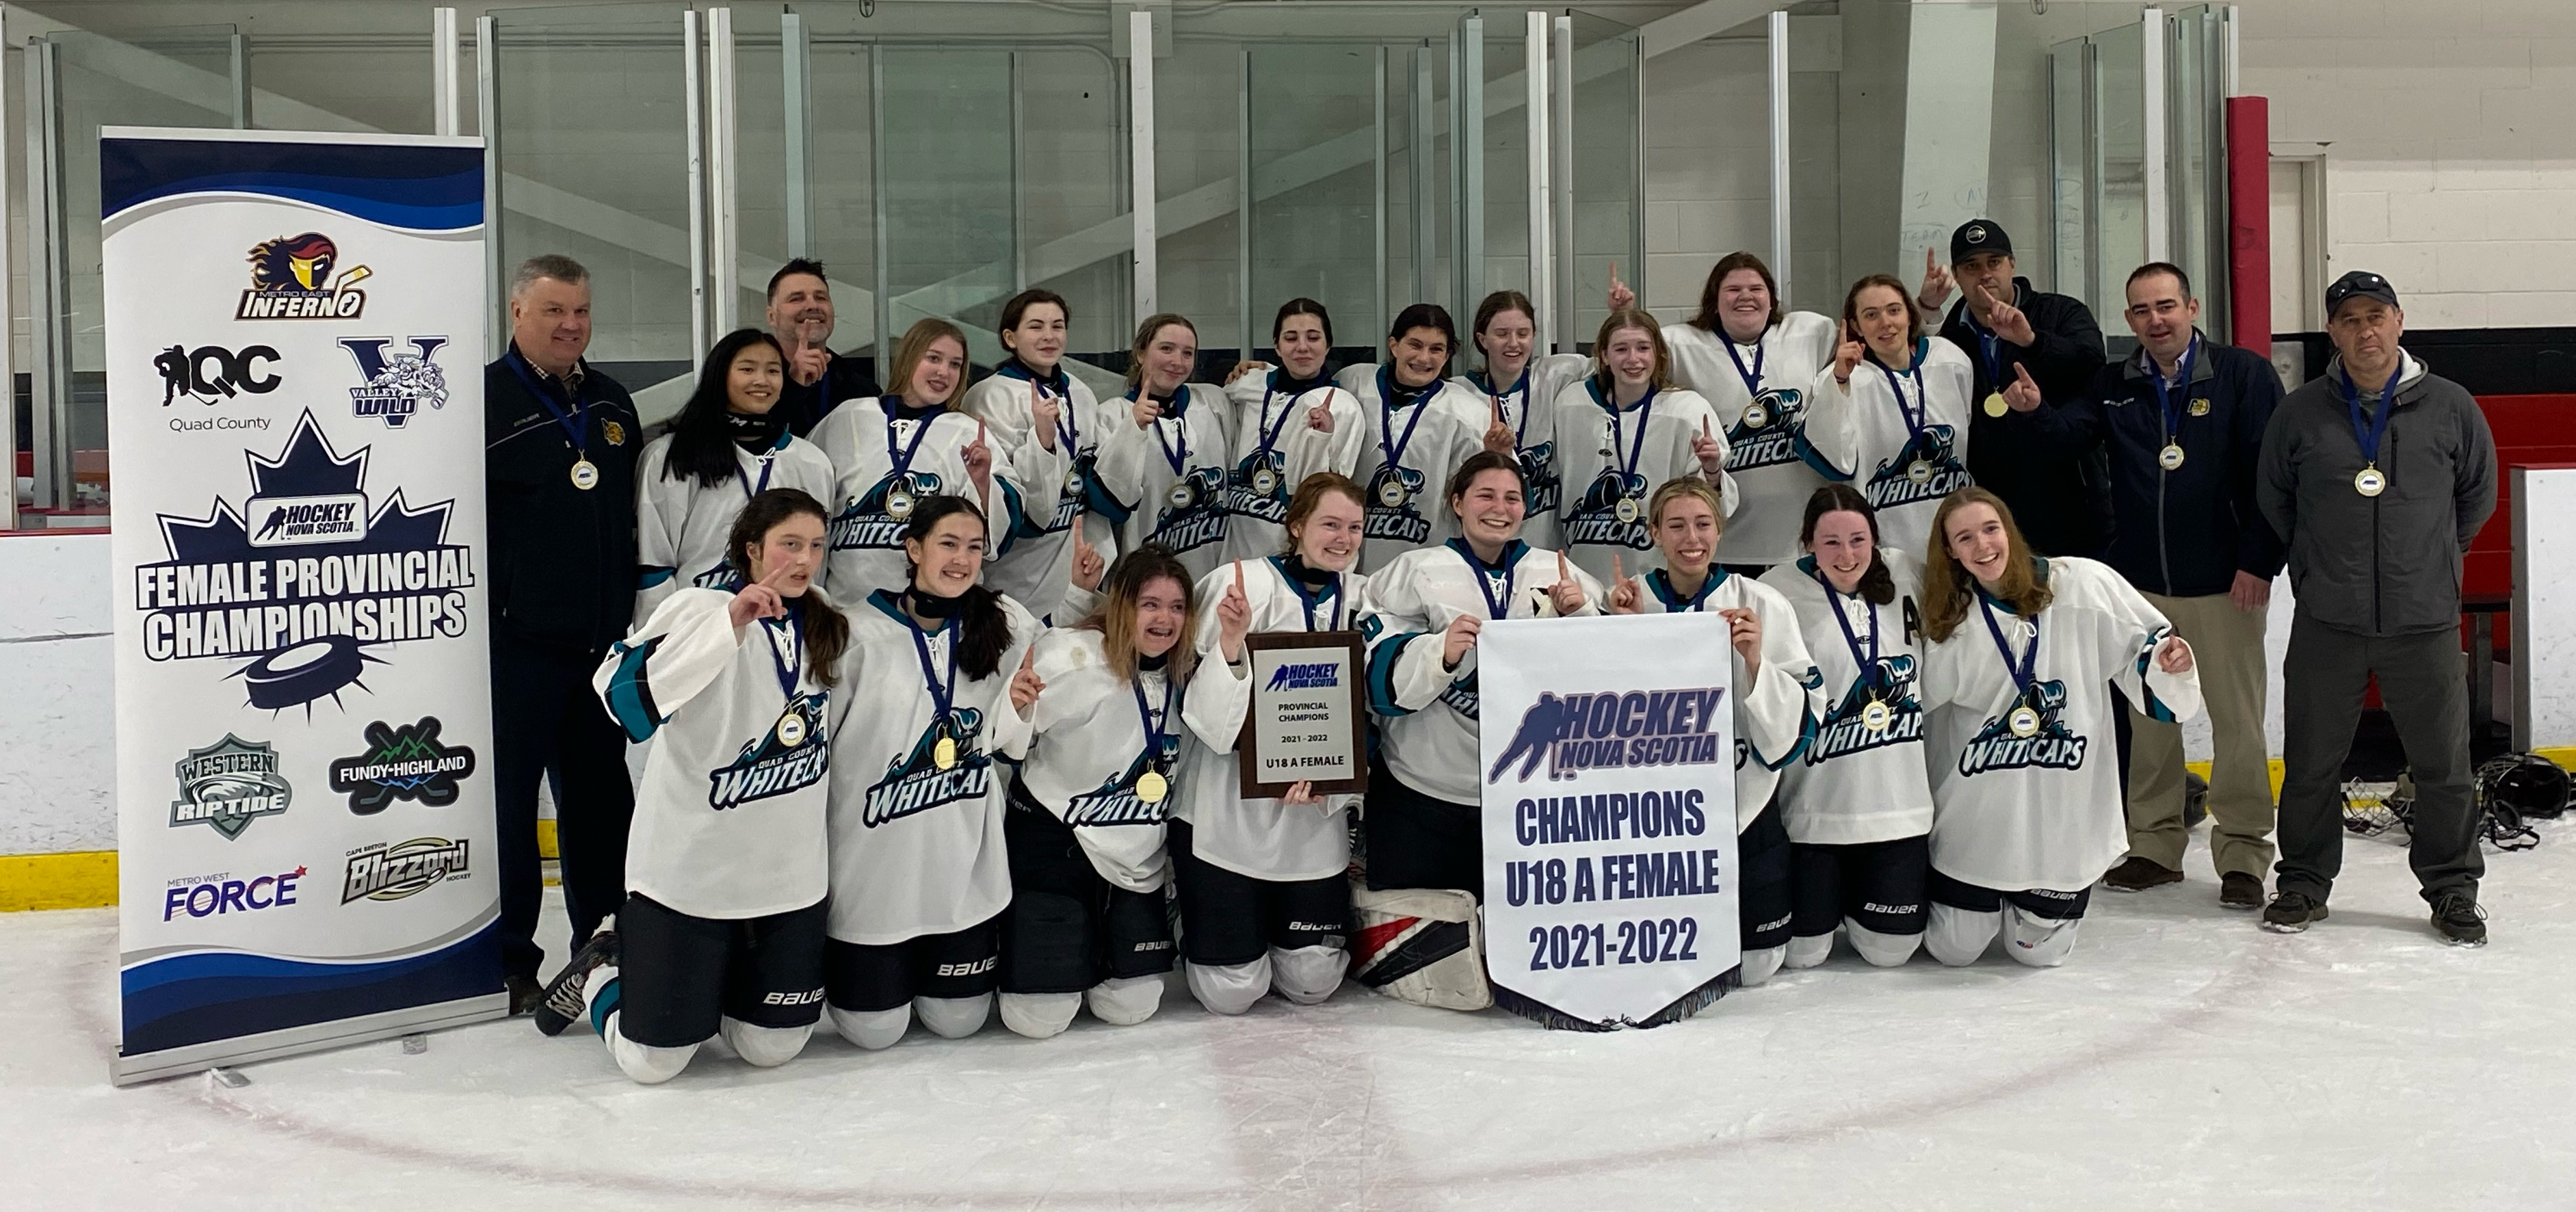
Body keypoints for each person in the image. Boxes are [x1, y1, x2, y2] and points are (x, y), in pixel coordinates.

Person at [535, 490, 843, 1082]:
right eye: (789, 544)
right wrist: (730, 622)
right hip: (689, 879)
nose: (804, 559)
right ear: (752, 550)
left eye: (815, 546)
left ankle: (715, 987)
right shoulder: (697, 607)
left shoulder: (826, 616)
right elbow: (623, 700)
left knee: (770, 1047)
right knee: (652, 1062)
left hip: (786, 880)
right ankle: (604, 966)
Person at [2012, 263, 2285, 906]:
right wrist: (2033, 414)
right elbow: (2071, 437)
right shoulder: (2117, 384)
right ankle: (2155, 845)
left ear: (2192, 306)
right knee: (2151, 719)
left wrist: (2260, 561)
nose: (2155, 320)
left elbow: (2272, 476)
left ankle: (2244, 851)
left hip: (2225, 583)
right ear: (2129, 320)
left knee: (2237, 723)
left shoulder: (2242, 375)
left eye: (2166, 306)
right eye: (2141, 311)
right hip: (2141, 590)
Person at [2256, 270, 2499, 945]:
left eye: (2375, 316)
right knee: (2309, 762)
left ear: (2398, 320)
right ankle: (2303, 881)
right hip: (2328, 622)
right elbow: (2275, 498)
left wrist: (2433, 563)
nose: (2364, 331)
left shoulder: (2451, 407)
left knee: (2444, 767)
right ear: (2332, 331)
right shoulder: (2300, 412)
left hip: (2422, 623)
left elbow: (2476, 495)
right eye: (2348, 320)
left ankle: (2452, 889)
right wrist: (2311, 569)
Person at [1917, 488, 2203, 967]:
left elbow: (2148, 645)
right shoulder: (1951, 617)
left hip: (2063, 819)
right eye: (1965, 538)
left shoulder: (2084, 584)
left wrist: (2170, 663)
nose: (1983, 546)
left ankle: (2034, 905)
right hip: (1978, 822)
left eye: (1990, 529)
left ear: (2009, 528)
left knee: (2036, 955)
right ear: (1950, 551)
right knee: (1955, 950)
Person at [1356, 451, 1600, 1009]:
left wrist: (1583, 616)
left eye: (1512, 497)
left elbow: (1608, 673)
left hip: (1526, 805)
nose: (1500, 508)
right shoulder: (1415, 569)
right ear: (1457, 502)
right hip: (1424, 792)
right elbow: (1374, 673)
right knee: (1417, 961)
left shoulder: (1556, 572)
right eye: (1485, 495)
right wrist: (1436, 654)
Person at [999, 547, 1251, 1038]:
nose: (1165, 618)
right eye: (1150, 604)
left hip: (1135, 861)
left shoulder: (1184, 672)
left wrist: (1233, 641)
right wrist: (1016, 706)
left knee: (1130, 1006)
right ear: (1122, 607)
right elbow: (1009, 745)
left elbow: (1220, 729)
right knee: (1038, 1018)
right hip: (1056, 848)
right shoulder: (1072, 657)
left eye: (1177, 607)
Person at [821, 495, 1045, 1046]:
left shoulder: (1005, 625)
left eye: (974, 548)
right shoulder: (854, 633)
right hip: (872, 878)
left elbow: (1009, 744)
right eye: (948, 544)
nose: (962, 560)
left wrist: (1016, 707)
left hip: (961, 873)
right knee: (873, 1031)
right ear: (913, 548)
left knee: (958, 1021)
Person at [483, 253, 642, 1012]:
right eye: (554, 311)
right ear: (517, 313)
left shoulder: (613, 403)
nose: (571, 325)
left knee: (599, 805)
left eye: (580, 310)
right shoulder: (481, 401)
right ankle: (513, 959)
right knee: (511, 808)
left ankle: (603, 943)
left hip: (596, 646)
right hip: (517, 645)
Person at [1604, 477, 1826, 987]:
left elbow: (1806, 711)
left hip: (1743, 798)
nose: (1691, 538)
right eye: (1676, 525)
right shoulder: (1629, 599)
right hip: (1655, 810)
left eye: (1703, 524)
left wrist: (1755, 661)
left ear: (1720, 530)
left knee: (1758, 966)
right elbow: (1601, 714)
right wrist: (1619, 633)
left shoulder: (1761, 601)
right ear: (1655, 533)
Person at [1174, 473, 1371, 1015]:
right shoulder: (1238, 583)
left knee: (1314, 982)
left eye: (1354, 527)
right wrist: (1233, 644)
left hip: (1313, 816)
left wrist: (1336, 789)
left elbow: (1370, 711)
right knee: (1230, 991)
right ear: (1296, 525)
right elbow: (1206, 721)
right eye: (1330, 524)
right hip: (1228, 811)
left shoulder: (1364, 596)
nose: (1343, 538)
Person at [1759, 484, 1935, 969]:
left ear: (1876, 539)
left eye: (1858, 539)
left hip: (1899, 808)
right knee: (1804, 954)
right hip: (1816, 809)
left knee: (1890, 952)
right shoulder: (1775, 591)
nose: (1846, 554)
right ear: (1808, 542)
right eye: (1831, 542)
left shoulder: (1906, 574)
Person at [1915, 220, 2108, 557]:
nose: (1985, 274)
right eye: (1971, 266)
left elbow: (2092, 361)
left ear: (2013, 264)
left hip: (2067, 499)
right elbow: (1906, 376)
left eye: (1994, 262)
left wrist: (2031, 341)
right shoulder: (1949, 335)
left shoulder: (2060, 311)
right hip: (1987, 506)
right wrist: (1928, 309)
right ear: (1957, 277)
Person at [809, 317, 1040, 598]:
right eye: (934, 358)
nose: (944, 372)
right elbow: (806, 489)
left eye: (955, 364)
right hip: (847, 606)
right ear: (909, 357)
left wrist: (983, 485)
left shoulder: (967, 431)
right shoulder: (848, 417)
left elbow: (1004, 529)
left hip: (932, 609)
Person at [633, 328, 837, 624]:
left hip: (785, 625)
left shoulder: (811, 461)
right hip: (702, 622)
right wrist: (661, 641)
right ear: (720, 375)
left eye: (773, 370)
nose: (761, 380)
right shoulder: (671, 456)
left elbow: (817, 562)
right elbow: (654, 563)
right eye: (747, 369)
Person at [1661, 252, 1841, 573]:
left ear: (1771, 299)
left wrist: (1926, 310)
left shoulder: (1810, 333)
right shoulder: (1680, 345)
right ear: (1713, 301)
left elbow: (1881, 343)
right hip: (1725, 540)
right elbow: (1629, 362)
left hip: (1802, 537)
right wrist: (1622, 315)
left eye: (1756, 289)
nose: (1745, 296)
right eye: (1733, 289)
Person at [1547, 307, 1733, 588]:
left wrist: (1713, 471)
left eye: (1643, 348)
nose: (1633, 359)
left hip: (1657, 580)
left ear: (1658, 354)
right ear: (1604, 357)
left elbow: (1716, 508)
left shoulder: (1688, 410)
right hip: (1583, 574)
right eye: (1621, 349)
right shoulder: (1570, 404)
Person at [960, 288, 1115, 622]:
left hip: (1076, 561)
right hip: (1017, 571)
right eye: (1036, 326)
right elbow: (1006, 500)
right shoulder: (987, 397)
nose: (1049, 336)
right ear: (1010, 337)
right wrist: (1042, 441)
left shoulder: (1080, 391)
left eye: (1057, 326)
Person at [1804, 274, 1975, 559]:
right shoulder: (1840, 378)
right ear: (1856, 325)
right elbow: (1834, 461)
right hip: (1887, 542)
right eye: (1871, 315)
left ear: (1910, 314)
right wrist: (1840, 381)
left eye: (1894, 310)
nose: (1885, 323)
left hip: (1954, 536)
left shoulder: (1951, 360)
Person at [1337, 304, 1496, 572]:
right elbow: (1301, 385)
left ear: (1448, 356)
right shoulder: (1353, 383)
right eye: (1415, 345)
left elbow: (1488, 496)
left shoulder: (1468, 413)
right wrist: (1255, 371)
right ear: (1394, 345)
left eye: (1436, 349)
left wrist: (1498, 455)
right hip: (1350, 565)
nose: (1424, 358)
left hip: (1426, 569)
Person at [1216, 299, 1363, 562]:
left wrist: (1322, 436)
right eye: (1291, 338)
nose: (1302, 347)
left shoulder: (1343, 407)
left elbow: (1338, 488)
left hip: (1292, 554)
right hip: (1237, 549)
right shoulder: (1247, 385)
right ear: (1277, 345)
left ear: (1328, 345)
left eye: (1313, 337)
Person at [1094, 313, 1235, 579]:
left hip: (1211, 574)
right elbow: (1110, 500)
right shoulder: (1111, 416)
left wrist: (1257, 368)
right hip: (1144, 578)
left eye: (1187, 353)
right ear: (1140, 353)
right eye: (1166, 349)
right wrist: (1132, 429)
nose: (1177, 362)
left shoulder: (1214, 402)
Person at [1455, 290, 1588, 549]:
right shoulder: (1459, 394)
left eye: (1523, 333)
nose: (1514, 343)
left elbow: (1618, 363)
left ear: (1534, 336)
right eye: (1502, 334)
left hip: (1547, 549)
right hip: (1485, 547)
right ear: (1482, 340)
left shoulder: (1554, 377)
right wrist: (1492, 456)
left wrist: (1622, 314)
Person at [765, 259, 883, 438]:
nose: (813, 305)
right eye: (797, 298)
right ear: (772, 317)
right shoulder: (749, 381)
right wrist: (794, 387)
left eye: (821, 298)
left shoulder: (863, 390)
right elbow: (746, 443)